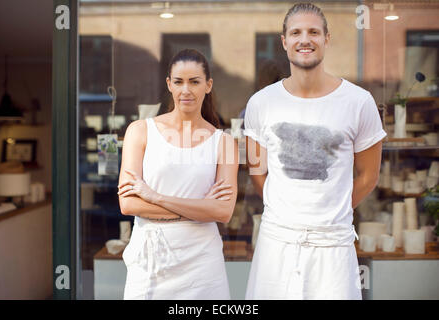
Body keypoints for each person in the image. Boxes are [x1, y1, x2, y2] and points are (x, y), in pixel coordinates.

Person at [244, 3, 386, 300]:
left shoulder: (359, 102)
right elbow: (258, 172)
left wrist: (330, 211)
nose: (304, 40)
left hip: (332, 245)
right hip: (277, 242)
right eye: (295, 32)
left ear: (326, 38)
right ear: (284, 41)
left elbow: (368, 176)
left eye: (313, 32)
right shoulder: (261, 103)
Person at [117, 49, 239, 300]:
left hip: (202, 262)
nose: (186, 90)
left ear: (208, 85)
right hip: (152, 259)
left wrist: (154, 197)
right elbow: (128, 204)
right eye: (179, 82)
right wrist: (201, 208)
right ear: (169, 85)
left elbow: (223, 212)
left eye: (195, 81)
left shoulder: (224, 143)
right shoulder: (140, 131)